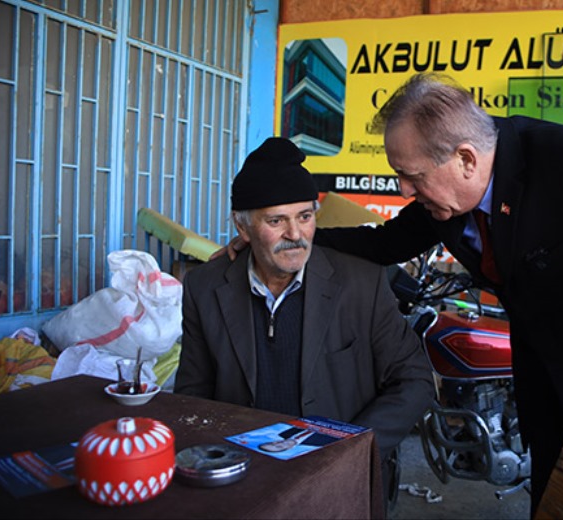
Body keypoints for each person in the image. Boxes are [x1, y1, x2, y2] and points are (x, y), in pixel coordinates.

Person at [220, 73, 563, 516]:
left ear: (466, 158)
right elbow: (384, 243)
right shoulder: (443, 197)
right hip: (542, 379)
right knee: (552, 502)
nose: (405, 189)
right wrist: (290, 238)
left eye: (412, 176)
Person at [175, 137, 435, 511]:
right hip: (244, 485)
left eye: (305, 217)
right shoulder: (206, 287)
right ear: (243, 227)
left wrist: (350, 448)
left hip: (341, 487)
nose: (295, 234)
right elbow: (193, 395)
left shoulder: (361, 284)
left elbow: (415, 380)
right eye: (276, 220)